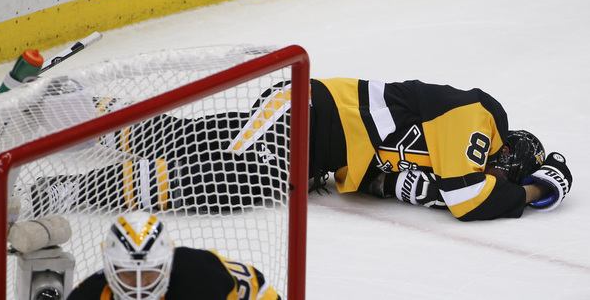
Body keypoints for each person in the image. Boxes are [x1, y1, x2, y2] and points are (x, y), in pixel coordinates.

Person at [31, 77, 572, 221]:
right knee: (237, 178)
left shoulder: (449, 157)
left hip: (311, 129)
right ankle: (67, 192)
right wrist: (535, 188)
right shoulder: (476, 117)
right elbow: (470, 202)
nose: (492, 170)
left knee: (190, 138)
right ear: (502, 152)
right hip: (311, 115)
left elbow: (389, 178)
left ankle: (74, 109)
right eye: (501, 168)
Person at [67, 211, 280, 300]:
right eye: (129, 273)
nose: (139, 286)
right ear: (110, 268)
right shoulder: (88, 294)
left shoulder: (199, 284)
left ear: (167, 265)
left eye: (149, 273)